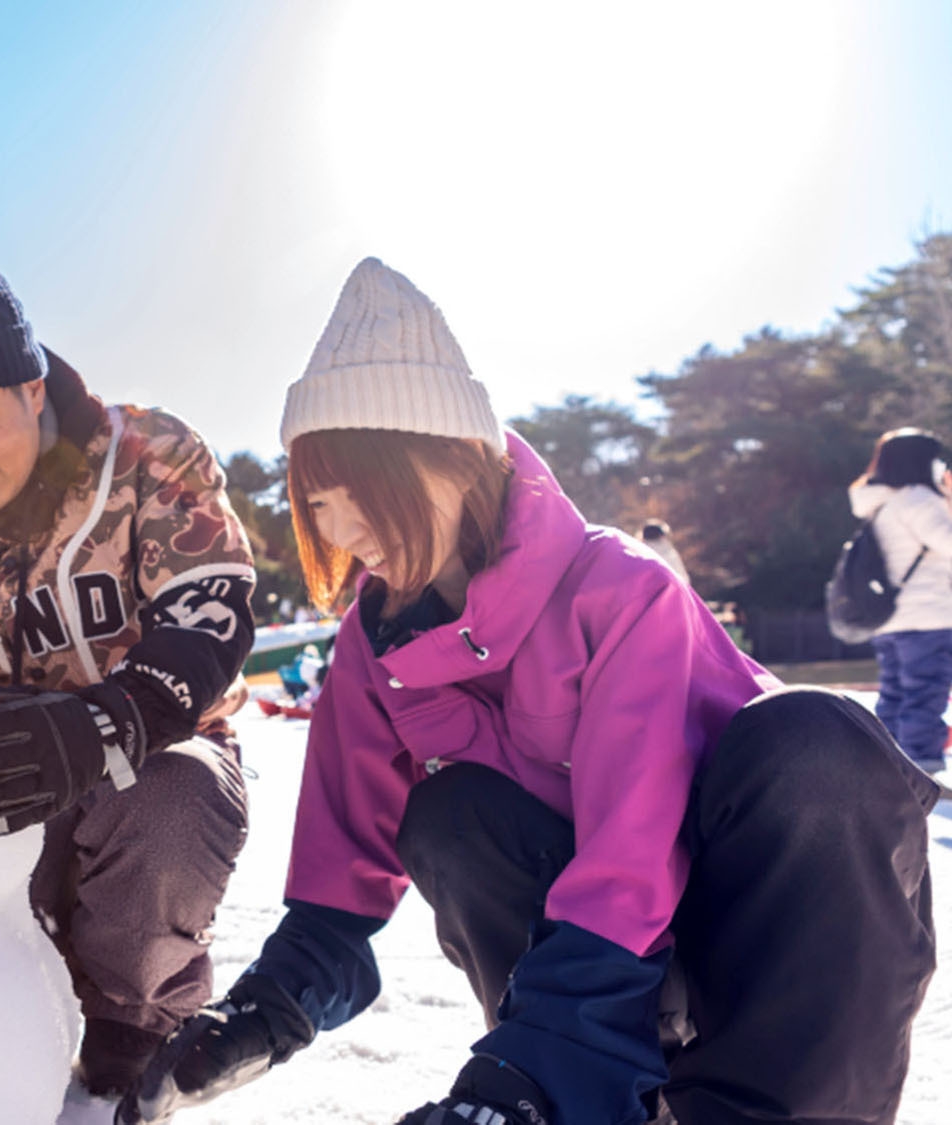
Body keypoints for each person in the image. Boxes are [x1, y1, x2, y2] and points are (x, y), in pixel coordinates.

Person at [121, 259, 941, 1125]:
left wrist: (531, 1074)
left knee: (816, 737)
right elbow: (340, 873)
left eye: (367, 491)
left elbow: (632, 855)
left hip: (777, 930)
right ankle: (581, 1095)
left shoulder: (618, 591)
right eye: (320, 502)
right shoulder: (375, 643)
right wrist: (260, 1015)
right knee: (453, 812)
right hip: (610, 974)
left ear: (459, 461)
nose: (345, 528)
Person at [0, 233, 257, 1100]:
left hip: (150, 744)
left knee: (172, 798)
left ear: (31, 387)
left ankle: (130, 1023)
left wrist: (108, 721)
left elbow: (211, 605)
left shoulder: (149, 452)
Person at [850, 428, 952, 775]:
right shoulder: (918, 500)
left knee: (894, 695)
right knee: (925, 692)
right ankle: (921, 769)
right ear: (921, 461)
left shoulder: (880, 503)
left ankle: (889, 768)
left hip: (890, 617)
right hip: (926, 614)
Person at [637, 518, 689, 586]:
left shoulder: (638, 552)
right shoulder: (669, 552)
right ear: (662, 536)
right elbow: (684, 579)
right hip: (671, 590)